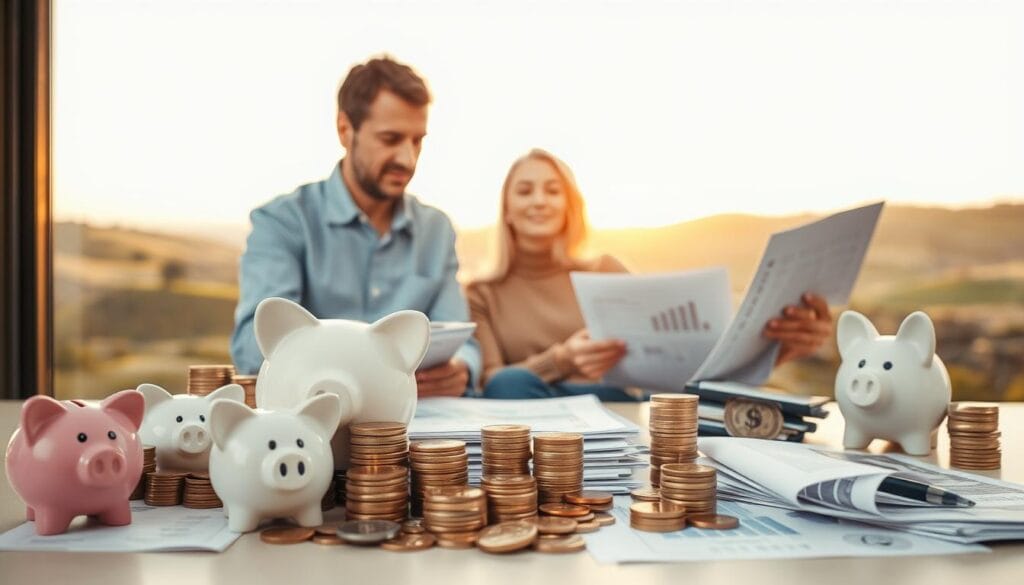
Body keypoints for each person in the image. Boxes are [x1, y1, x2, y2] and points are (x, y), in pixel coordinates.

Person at [467, 148, 833, 400]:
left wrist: (779, 346)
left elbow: (678, 359)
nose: (539, 201)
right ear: (507, 210)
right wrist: (564, 360)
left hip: (614, 407)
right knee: (510, 384)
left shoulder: (605, 270)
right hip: (534, 411)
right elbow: (490, 383)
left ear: (569, 207)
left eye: (552, 190)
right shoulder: (480, 292)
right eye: (525, 191)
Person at [230, 56, 480, 398]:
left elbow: (462, 339)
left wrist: (461, 369)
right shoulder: (283, 222)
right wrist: (369, 368)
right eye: (391, 139)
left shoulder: (436, 230)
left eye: (417, 141)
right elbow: (253, 348)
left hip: (419, 423)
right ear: (345, 129)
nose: (408, 159)